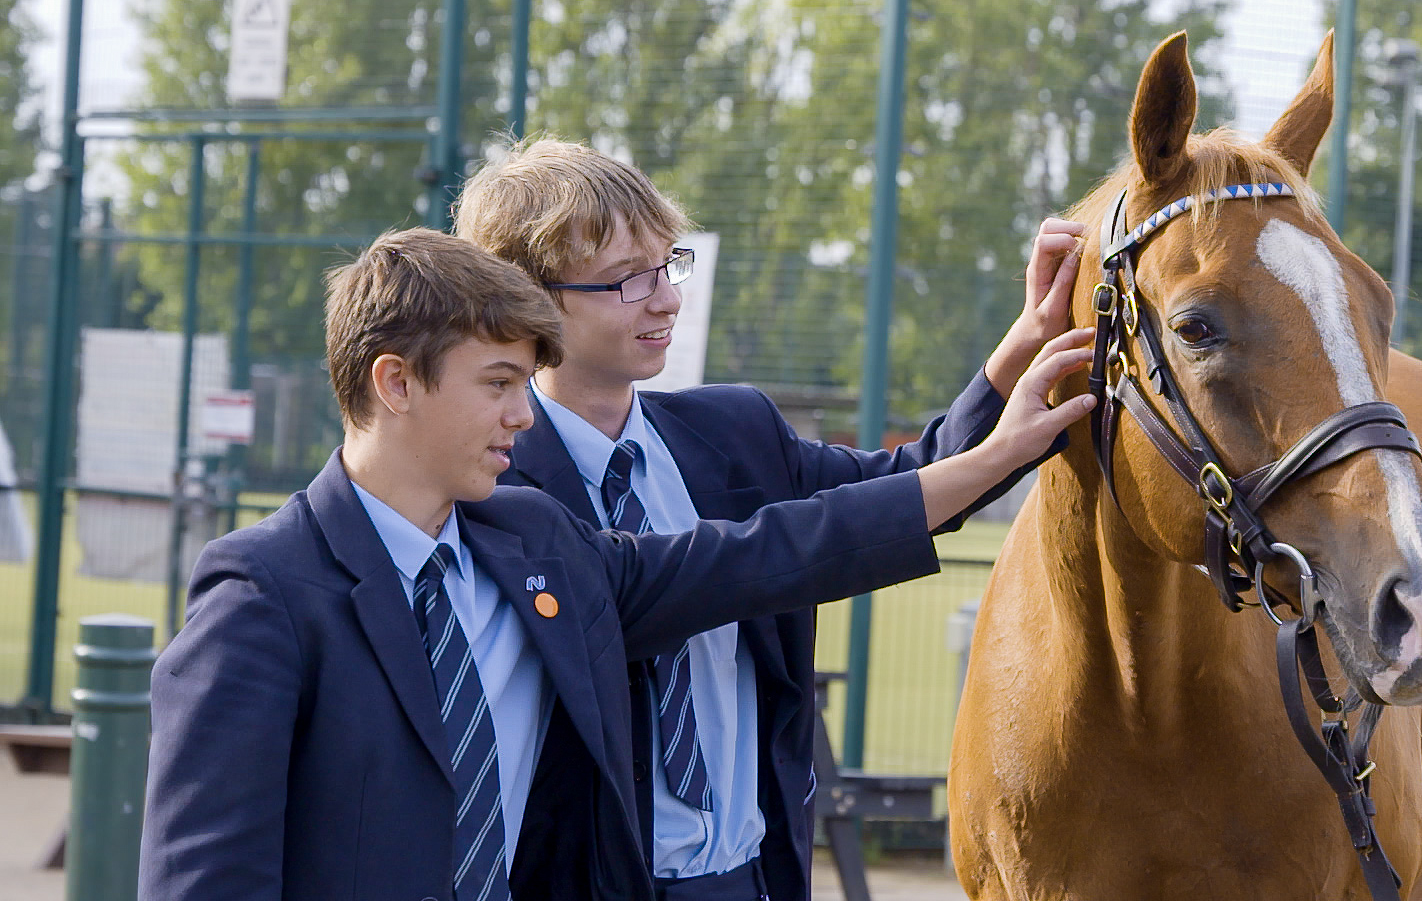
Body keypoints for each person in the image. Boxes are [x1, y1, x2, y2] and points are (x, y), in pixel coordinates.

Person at [139, 227, 1094, 901]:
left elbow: (771, 552)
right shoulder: (260, 597)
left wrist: (995, 457)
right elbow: (204, 881)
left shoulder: (532, 543)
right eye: (499, 385)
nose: (523, 412)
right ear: (395, 383)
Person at [452, 138, 1084, 900]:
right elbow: (755, 559)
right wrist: (992, 454)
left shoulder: (734, 433)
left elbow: (912, 482)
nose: (666, 299)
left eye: (668, 264)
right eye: (627, 279)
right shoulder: (491, 489)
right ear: (530, 297)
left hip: (753, 879)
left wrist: (1024, 344)